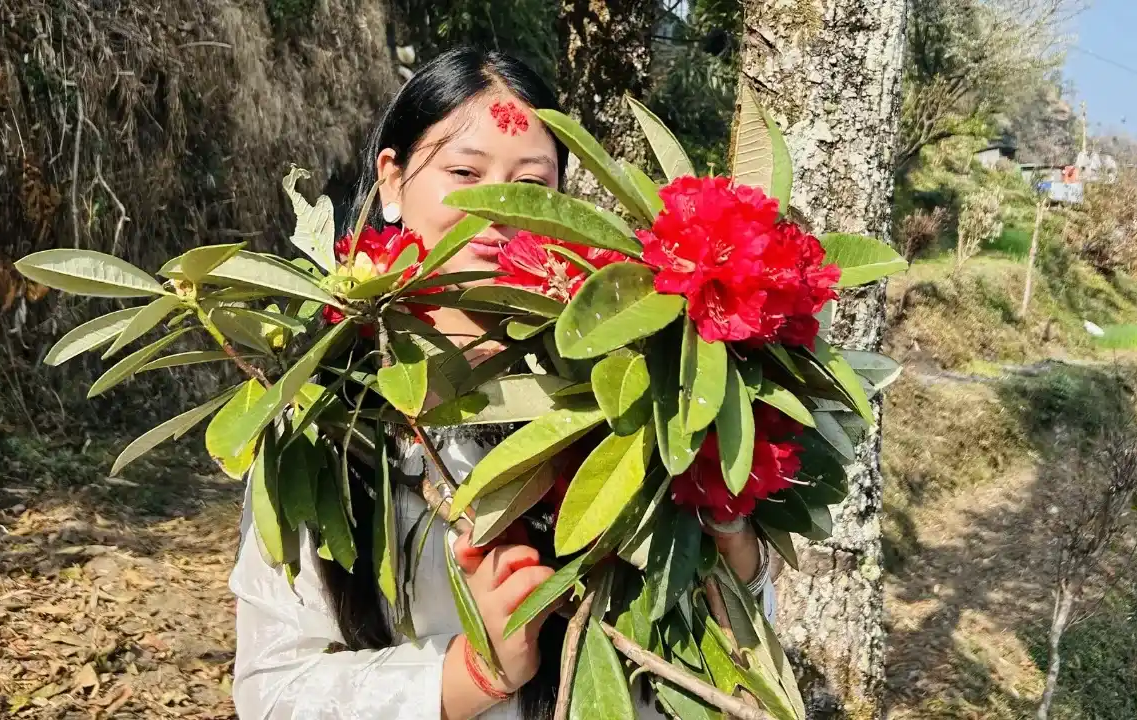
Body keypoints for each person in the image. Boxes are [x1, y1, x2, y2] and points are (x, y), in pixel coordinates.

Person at [229, 46, 775, 720]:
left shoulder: (631, 381)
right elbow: (272, 691)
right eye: (464, 172)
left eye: (532, 186)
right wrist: (469, 676)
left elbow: (718, 653)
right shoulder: (324, 417)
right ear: (391, 181)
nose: (498, 207)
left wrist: (734, 538)